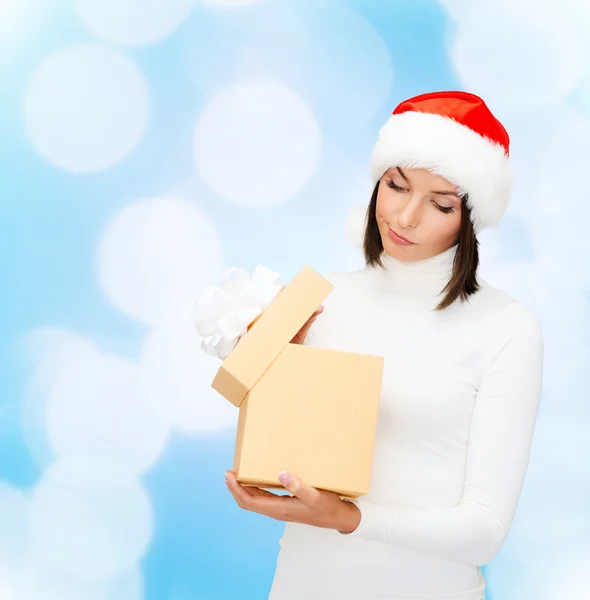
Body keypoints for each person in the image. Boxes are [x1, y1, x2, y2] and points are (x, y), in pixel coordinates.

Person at [224, 90, 544, 600]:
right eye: (396, 186)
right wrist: (273, 371)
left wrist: (351, 519)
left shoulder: (505, 327)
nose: (406, 216)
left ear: (470, 220)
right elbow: (283, 454)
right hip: (304, 583)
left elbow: (485, 531)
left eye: (440, 204)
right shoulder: (318, 299)